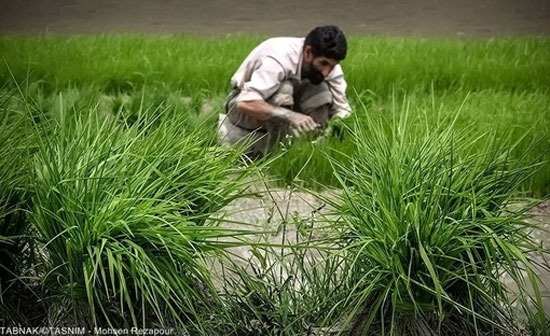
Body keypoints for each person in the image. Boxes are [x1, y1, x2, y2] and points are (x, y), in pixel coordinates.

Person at [219, 25, 352, 158]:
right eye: (323, 63)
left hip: (289, 104)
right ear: (308, 53)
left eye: (332, 65)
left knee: (322, 90)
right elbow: (245, 103)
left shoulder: (331, 69)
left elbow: (342, 109)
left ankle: (314, 148)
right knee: (284, 89)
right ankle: (278, 153)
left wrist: (341, 129)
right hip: (241, 106)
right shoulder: (278, 58)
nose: (327, 71)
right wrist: (291, 116)